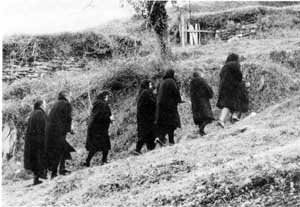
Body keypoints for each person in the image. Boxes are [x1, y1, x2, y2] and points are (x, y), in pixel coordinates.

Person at [45, 90, 75, 179]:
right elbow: (68, 118)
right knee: (58, 150)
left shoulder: (55, 104)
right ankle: (54, 173)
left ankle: (62, 169)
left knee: (62, 149)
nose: (70, 98)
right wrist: (70, 129)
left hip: (50, 131)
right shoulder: (66, 104)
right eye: (69, 96)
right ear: (66, 96)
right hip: (58, 131)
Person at [216, 53, 248, 128]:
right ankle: (234, 116)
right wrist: (242, 79)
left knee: (227, 104)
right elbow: (239, 76)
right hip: (232, 87)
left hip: (223, 88)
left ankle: (221, 119)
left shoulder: (224, 67)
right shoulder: (235, 64)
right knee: (239, 101)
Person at [84, 91, 113, 167]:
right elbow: (102, 116)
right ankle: (103, 161)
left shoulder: (98, 103)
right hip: (99, 129)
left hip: (96, 129)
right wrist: (110, 119)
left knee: (95, 147)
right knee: (104, 145)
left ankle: (88, 161)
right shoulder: (102, 104)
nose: (108, 98)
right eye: (107, 96)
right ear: (104, 96)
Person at [155, 69, 183, 146]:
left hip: (160, 107)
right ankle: (171, 141)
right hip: (169, 107)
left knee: (164, 124)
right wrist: (180, 100)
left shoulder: (162, 82)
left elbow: (157, 93)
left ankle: (161, 138)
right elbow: (175, 92)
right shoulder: (171, 81)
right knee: (172, 124)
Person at [24, 99, 47, 185]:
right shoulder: (40, 113)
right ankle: (41, 176)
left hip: (31, 141)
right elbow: (43, 127)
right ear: (41, 105)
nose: (46, 106)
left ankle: (36, 179)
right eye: (45, 104)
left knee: (34, 160)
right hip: (39, 140)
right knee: (40, 158)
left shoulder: (33, 113)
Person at [133, 79, 157, 155]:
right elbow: (152, 102)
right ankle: (138, 149)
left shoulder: (143, 92)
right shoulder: (146, 92)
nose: (151, 86)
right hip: (146, 118)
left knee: (148, 133)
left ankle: (150, 149)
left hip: (144, 117)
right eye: (150, 85)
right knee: (145, 134)